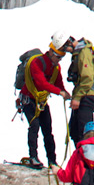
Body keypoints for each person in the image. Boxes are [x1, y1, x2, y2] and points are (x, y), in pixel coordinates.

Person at [19, 32, 73, 167]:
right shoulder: (37, 63)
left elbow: (58, 83)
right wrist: (60, 92)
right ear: (51, 53)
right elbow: (42, 83)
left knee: (47, 130)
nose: (59, 60)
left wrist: (65, 92)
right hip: (28, 99)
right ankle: (33, 157)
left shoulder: (55, 67)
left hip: (40, 101)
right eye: (58, 57)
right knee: (34, 126)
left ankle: (52, 160)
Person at [67, 36, 94, 144]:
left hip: (87, 96)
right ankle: (80, 154)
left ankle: (87, 154)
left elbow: (88, 78)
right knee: (75, 131)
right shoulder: (79, 52)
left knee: (84, 133)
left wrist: (77, 98)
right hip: (83, 96)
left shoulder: (84, 52)